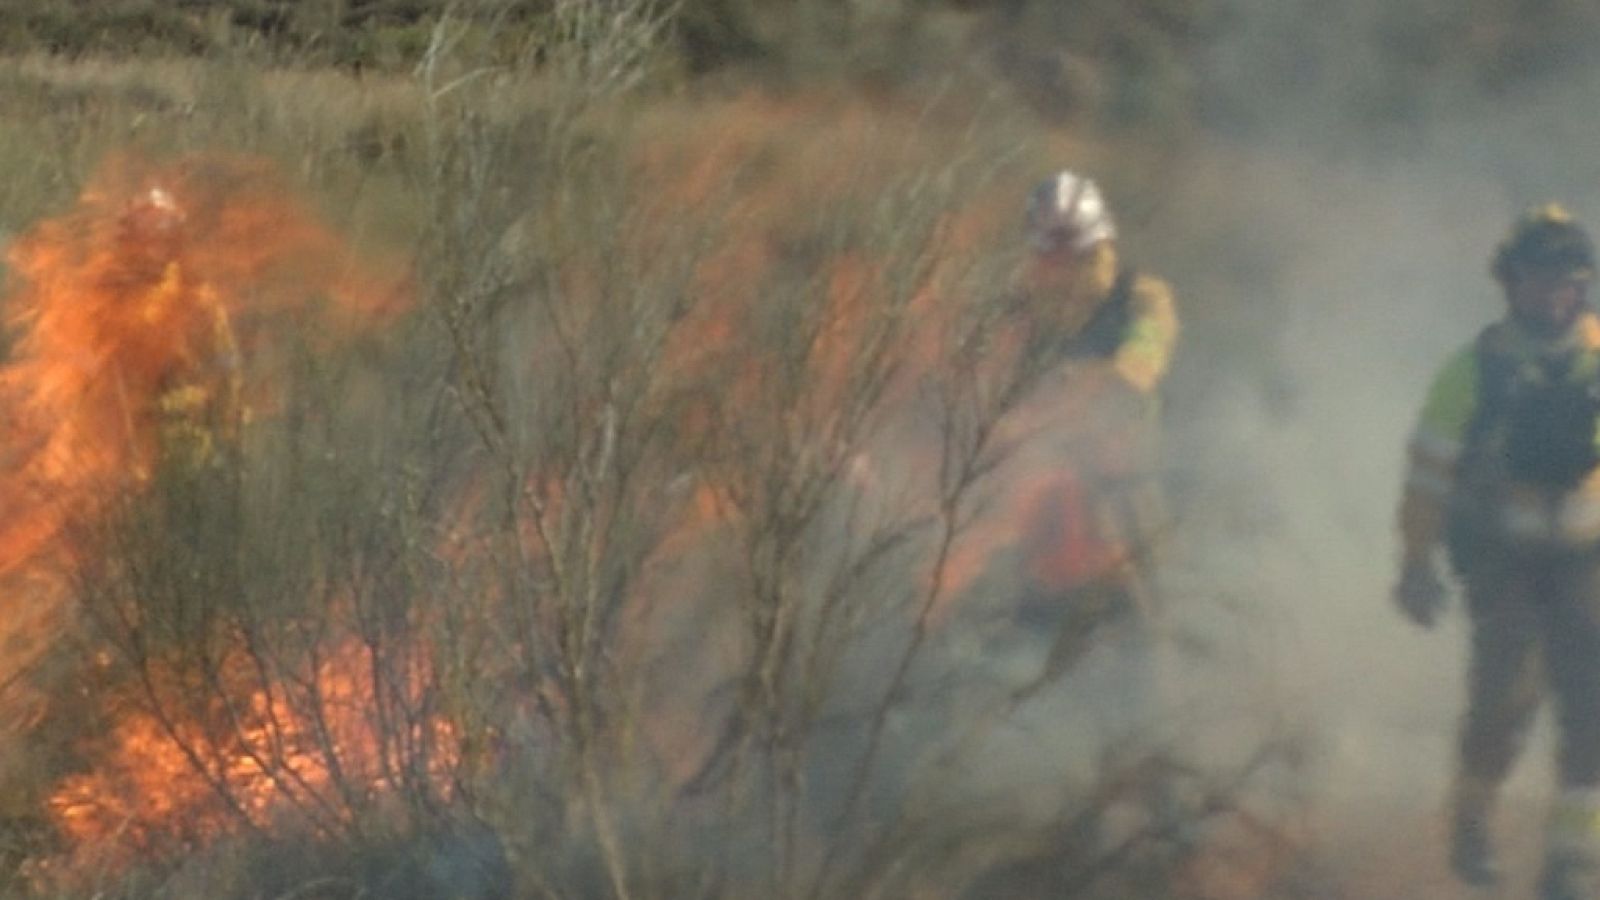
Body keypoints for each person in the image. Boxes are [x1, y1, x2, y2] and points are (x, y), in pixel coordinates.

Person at [1394, 204, 1600, 898]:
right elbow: (1427, 478)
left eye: (1567, 281)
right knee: (1503, 700)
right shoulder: (1473, 370)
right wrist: (1415, 564)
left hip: (1585, 557)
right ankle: (1472, 822)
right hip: (1501, 559)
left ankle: (1573, 863)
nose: (1553, 295)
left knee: (1592, 704)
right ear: (1510, 284)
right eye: (1539, 280)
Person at [1007, 169, 1180, 693]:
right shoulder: (1018, 309)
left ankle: (1153, 742)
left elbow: (1141, 364)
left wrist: (1083, 381)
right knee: (1018, 627)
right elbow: (983, 382)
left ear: (1100, 247)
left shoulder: (1141, 300)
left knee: (1143, 629)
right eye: (1049, 256)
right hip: (1038, 492)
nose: (1061, 271)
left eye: (1076, 256)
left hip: (1123, 490)